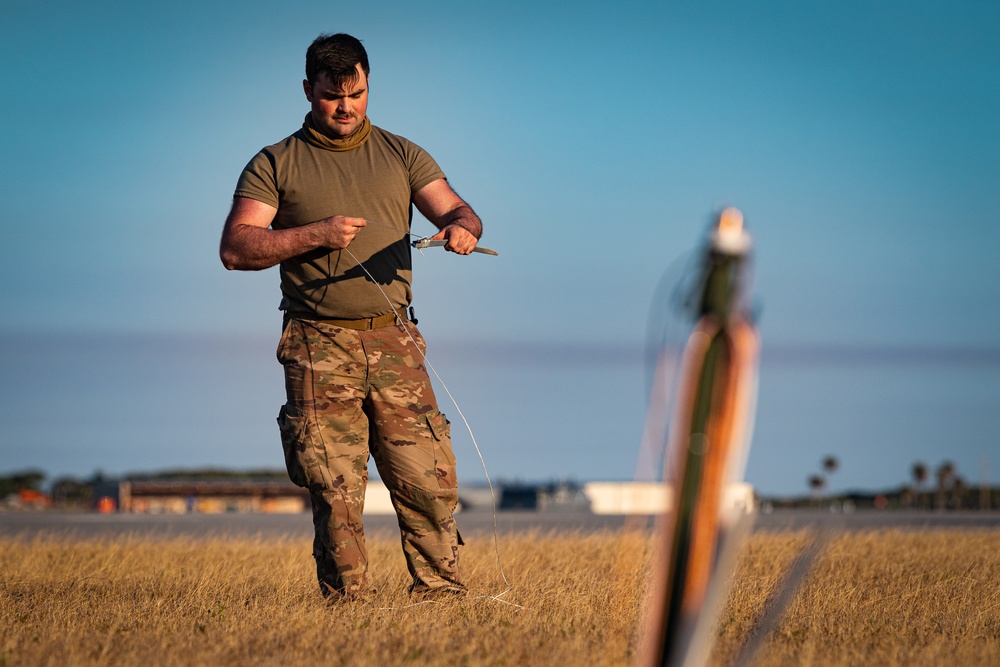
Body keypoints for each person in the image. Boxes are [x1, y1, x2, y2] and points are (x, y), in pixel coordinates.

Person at [219, 33, 483, 601]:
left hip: (395, 342)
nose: (346, 107)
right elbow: (236, 248)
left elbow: (458, 208)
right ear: (308, 90)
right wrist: (316, 235)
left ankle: (442, 598)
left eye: (357, 94)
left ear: (368, 85)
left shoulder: (403, 153)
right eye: (332, 96)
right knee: (335, 488)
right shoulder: (274, 162)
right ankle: (349, 611)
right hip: (317, 345)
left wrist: (463, 230)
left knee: (426, 479)